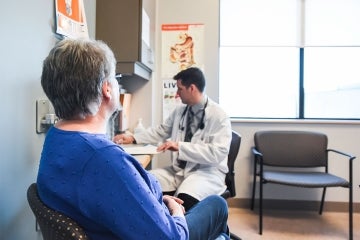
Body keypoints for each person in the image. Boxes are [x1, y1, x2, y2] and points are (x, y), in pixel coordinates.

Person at [36, 38, 230, 240]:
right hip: (166, 230)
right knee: (217, 205)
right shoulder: (105, 158)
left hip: (203, 174)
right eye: (115, 77)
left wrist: (149, 201)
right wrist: (178, 214)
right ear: (107, 89)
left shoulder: (56, 137)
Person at [113, 67, 232, 211]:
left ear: (192, 88)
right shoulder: (180, 111)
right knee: (141, 181)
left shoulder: (219, 115)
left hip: (205, 173)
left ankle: (181, 232)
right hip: (178, 171)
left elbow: (217, 153)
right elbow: (161, 131)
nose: (176, 94)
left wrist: (179, 146)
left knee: (184, 200)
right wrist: (132, 138)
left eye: (180, 89)